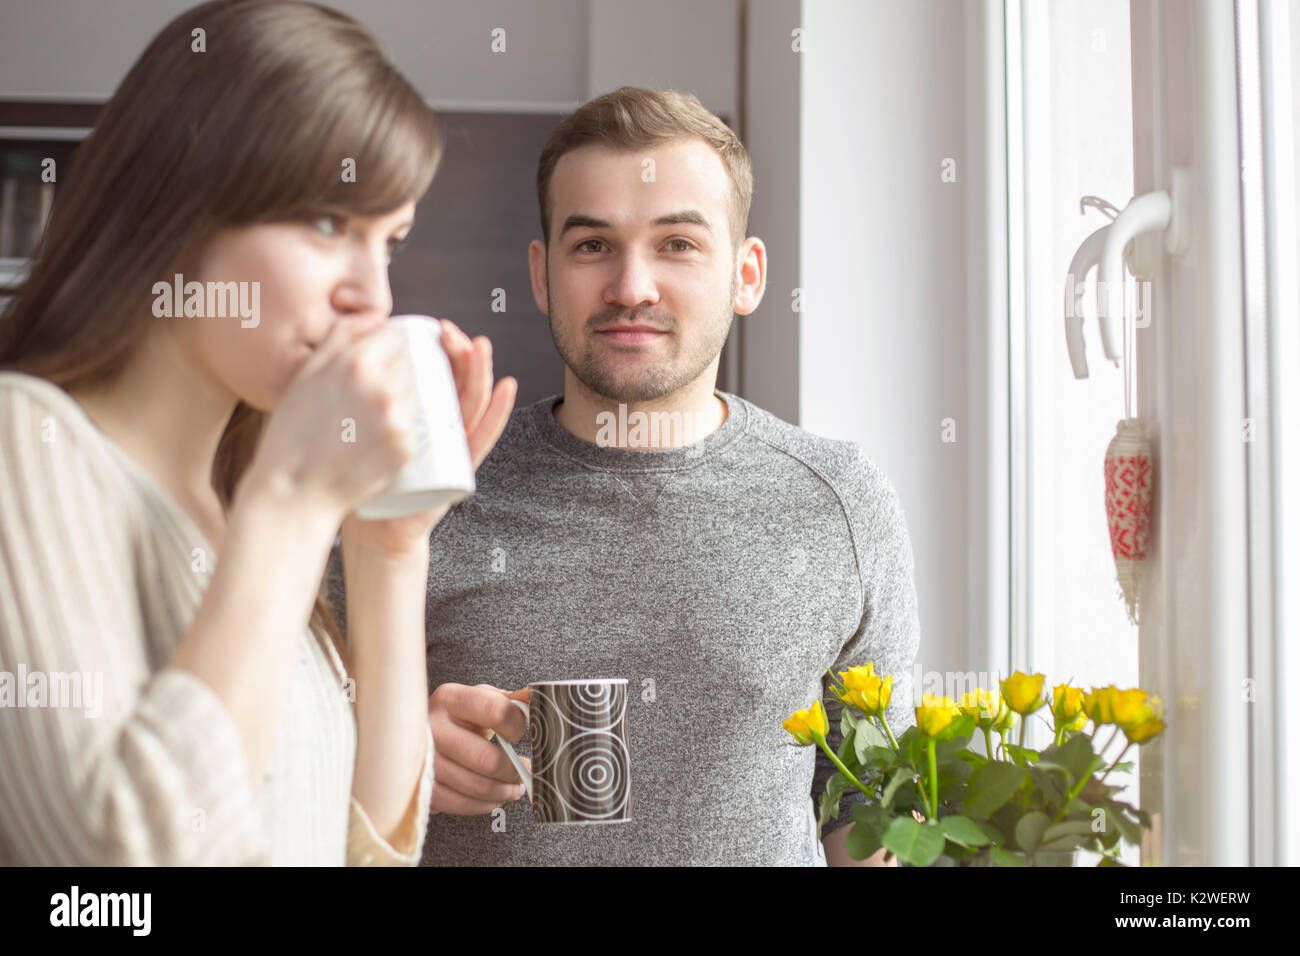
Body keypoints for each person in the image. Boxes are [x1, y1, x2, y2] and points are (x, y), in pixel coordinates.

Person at [328, 86, 922, 865]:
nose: (631, 286)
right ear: (542, 276)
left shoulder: (842, 501)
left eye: (677, 244)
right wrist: (393, 742)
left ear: (747, 275)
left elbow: (870, 804)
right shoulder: (415, 503)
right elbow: (288, 763)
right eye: (592, 245)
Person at [0, 0, 515, 865]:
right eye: (327, 224)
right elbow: (115, 879)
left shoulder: (237, 503)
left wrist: (387, 548)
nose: (373, 296)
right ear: (181, 201)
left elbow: (356, 847)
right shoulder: (28, 442)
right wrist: (291, 504)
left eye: (389, 242)